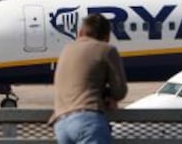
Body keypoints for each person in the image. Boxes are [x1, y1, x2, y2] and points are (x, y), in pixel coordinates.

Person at [50, 13, 128, 144]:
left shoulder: (66, 50)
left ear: (80, 33)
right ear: (107, 37)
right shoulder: (106, 50)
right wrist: (107, 95)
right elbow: (119, 91)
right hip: (87, 121)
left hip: (61, 125)